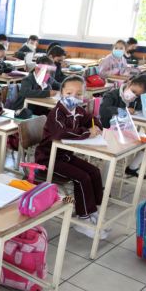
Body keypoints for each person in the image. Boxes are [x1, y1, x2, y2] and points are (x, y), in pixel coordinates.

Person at [35, 76, 106, 239]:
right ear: (61, 93)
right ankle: (82, 218)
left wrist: (97, 127)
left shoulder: (79, 111)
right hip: (48, 158)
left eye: (79, 94)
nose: (74, 97)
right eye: (69, 93)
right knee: (82, 178)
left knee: (94, 172)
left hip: (65, 155)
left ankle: (92, 211)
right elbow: (59, 133)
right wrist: (87, 132)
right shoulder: (57, 113)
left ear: (84, 96)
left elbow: (93, 119)